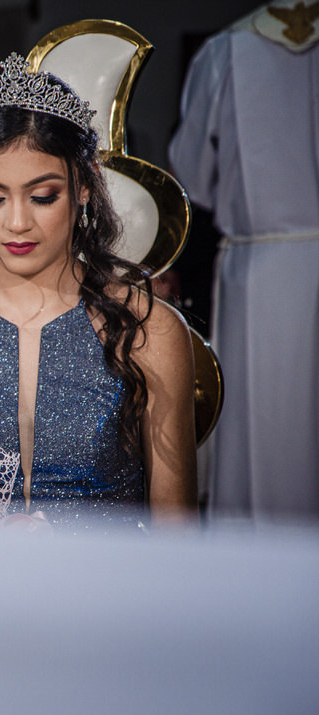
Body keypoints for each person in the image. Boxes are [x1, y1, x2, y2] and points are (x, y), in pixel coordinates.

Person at [0, 54, 197, 529]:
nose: (16, 223)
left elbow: (177, 533)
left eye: (42, 196)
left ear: (84, 187)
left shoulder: (150, 329)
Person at [168, 3, 319, 525]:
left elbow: (190, 170)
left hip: (259, 260)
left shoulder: (227, 51)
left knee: (261, 431)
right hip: (267, 254)